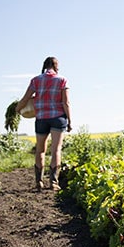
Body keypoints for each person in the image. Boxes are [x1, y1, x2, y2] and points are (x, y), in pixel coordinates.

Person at [16, 56, 72, 191]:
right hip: (58, 117)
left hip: (41, 118)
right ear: (56, 66)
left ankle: (39, 182)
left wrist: (17, 109)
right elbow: (66, 102)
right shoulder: (62, 80)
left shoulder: (36, 80)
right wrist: (70, 120)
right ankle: (53, 182)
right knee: (56, 150)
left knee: (40, 150)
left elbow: (25, 98)